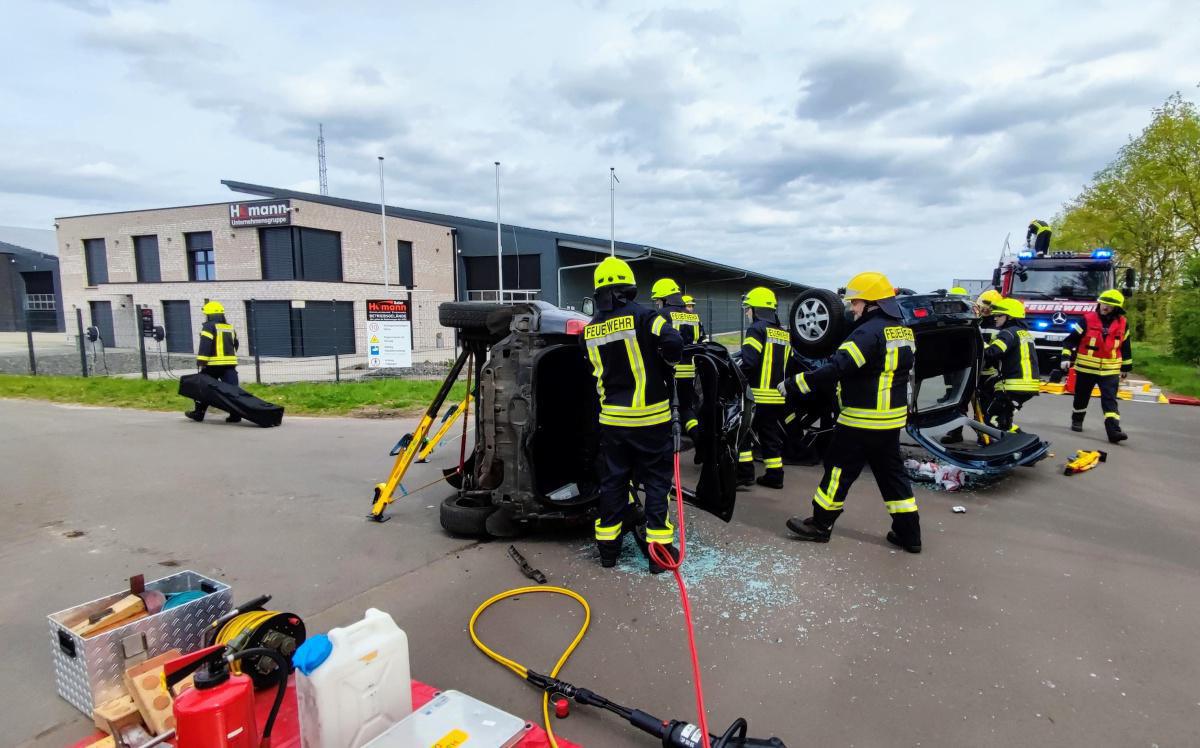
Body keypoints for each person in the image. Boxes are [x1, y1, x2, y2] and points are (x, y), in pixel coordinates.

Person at [780, 272, 922, 553]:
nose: (852, 309)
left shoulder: (867, 333)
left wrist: (796, 383)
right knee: (893, 476)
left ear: (871, 303)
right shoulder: (903, 330)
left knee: (837, 472)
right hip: (891, 420)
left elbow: (838, 367)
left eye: (856, 303)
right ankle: (910, 534)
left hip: (861, 418)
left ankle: (820, 525)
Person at [582, 257, 684, 572]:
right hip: (651, 420)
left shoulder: (590, 329)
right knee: (655, 483)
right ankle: (658, 556)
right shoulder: (646, 317)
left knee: (613, 483)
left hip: (612, 423)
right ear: (629, 287)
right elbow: (674, 342)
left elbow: (591, 371)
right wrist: (664, 363)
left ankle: (608, 552)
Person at [1061, 289, 1131, 443]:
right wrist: (1066, 357)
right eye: (1104, 303)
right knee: (1081, 397)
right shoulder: (1086, 319)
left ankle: (1114, 431)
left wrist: (1126, 367)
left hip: (1110, 370)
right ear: (1099, 303)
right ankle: (1077, 420)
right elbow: (1070, 340)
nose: (1105, 307)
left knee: (1110, 400)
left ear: (1117, 309)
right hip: (1086, 368)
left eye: (1110, 305)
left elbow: (1125, 347)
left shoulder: (1123, 324)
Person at [737, 287, 790, 489]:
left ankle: (744, 474)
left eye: (748, 309)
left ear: (757, 309)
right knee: (770, 436)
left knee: (743, 434)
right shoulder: (783, 334)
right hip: (777, 396)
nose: (747, 313)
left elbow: (748, 361)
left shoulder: (756, 329)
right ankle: (775, 475)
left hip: (756, 395)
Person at [942, 289, 1003, 444]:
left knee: (984, 407)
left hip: (987, 374)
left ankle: (985, 436)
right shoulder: (974, 320)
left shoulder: (999, 326)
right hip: (968, 371)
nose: (986, 309)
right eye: (984, 305)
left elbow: (997, 351)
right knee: (959, 404)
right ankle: (955, 432)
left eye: (990, 307)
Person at [651, 278, 704, 438]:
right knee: (686, 408)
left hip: (669, 371)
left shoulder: (661, 314)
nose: (657, 304)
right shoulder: (693, 317)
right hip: (689, 371)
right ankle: (699, 440)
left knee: (666, 410)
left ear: (665, 299)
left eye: (658, 300)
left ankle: (671, 446)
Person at [979, 297, 1040, 432]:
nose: (995, 318)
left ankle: (1021, 444)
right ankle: (1018, 445)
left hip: (1014, 386)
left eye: (999, 315)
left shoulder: (1008, 332)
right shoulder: (1024, 333)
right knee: (1004, 418)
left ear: (1010, 317)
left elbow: (993, 352)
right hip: (1028, 386)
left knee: (992, 419)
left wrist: (980, 343)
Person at [185, 300, 241, 423]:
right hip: (230, 365)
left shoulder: (209, 326)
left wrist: (201, 361)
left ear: (210, 315)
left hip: (213, 365)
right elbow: (236, 344)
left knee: (202, 387)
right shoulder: (229, 327)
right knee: (233, 390)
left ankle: (198, 413)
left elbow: (205, 345)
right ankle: (235, 415)